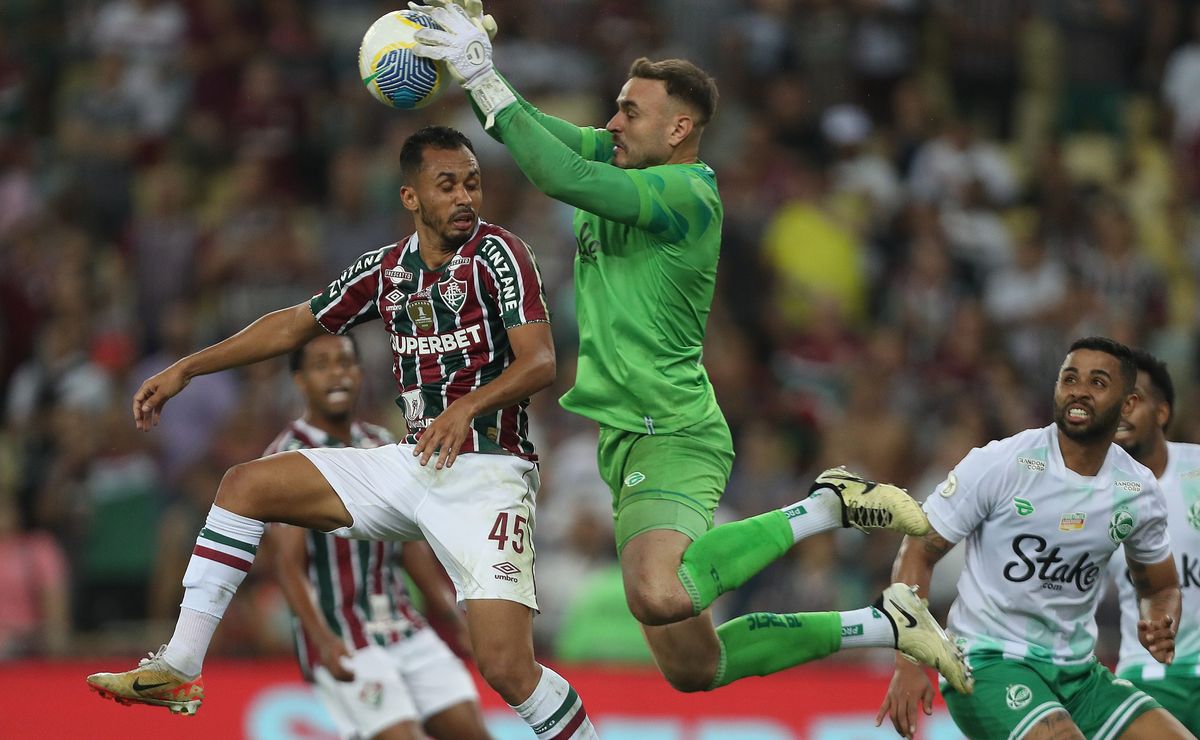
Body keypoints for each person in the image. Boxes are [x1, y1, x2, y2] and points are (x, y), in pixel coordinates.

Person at [408, 2, 971, 696]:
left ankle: (825, 505)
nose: (612, 123)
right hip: (626, 439)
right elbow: (534, 136)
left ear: (679, 129)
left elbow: (559, 178)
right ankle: (885, 623)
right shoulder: (619, 155)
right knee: (692, 666)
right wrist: (475, 76)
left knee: (663, 592)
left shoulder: (686, 191)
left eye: (630, 112)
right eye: (615, 109)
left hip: (674, 429)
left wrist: (483, 74)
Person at [87, 125, 600, 740]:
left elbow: (540, 360)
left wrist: (468, 407)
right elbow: (292, 325)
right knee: (244, 486)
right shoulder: (385, 270)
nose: (465, 197)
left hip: (490, 474)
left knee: (508, 668)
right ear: (411, 197)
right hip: (415, 464)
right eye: (447, 186)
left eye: (472, 183)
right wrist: (187, 367)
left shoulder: (500, 254)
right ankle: (181, 663)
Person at [876, 337, 1190, 740]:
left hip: (1079, 675)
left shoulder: (1138, 490)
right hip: (986, 662)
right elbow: (918, 551)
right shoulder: (1002, 464)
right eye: (1069, 378)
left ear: (1127, 404)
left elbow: (1159, 586)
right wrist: (907, 662)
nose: (1078, 390)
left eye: (1097, 382)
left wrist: (1159, 618)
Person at [266, 333, 489, 740]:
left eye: (345, 362)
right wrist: (323, 640)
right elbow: (287, 563)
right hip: (343, 632)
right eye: (321, 365)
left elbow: (411, 548)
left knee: (472, 731)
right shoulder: (289, 456)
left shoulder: (383, 444)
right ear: (300, 380)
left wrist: (450, 614)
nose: (337, 373)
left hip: (402, 624)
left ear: (359, 372)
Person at [1108, 349, 1200, 735]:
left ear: (1162, 413)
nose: (1122, 411)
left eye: (1135, 400)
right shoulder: (1092, 497)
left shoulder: (1197, 471)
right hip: (1147, 674)